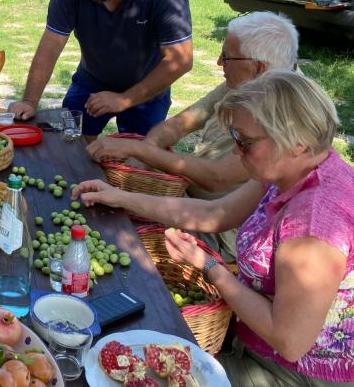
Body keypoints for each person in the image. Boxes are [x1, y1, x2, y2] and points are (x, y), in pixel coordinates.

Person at [73, 71, 354, 385]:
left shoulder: (313, 224)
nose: (236, 150)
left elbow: (289, 341)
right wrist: (121, 197)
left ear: (297, 144)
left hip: (290, 372)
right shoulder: (290, 171)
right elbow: (216, 212)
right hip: (249, 340)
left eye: (245, 142)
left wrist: (209, 267)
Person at [86, 11, 300, 261]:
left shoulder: (287, 115)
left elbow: (217, 179)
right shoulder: (249, 82)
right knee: (105, 203)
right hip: (196, 203)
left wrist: (139, 151)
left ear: (258, 68)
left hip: (225, 232)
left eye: (227, 57)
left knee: (117, 231)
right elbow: (179, 124)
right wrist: (148, 149)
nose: (220, 62)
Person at [8, 0, 193, 140]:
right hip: (92, 79)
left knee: (139, 159)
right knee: (72, 144)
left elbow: (181, 60)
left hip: (147, 85)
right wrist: (29, 102)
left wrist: (124, 99)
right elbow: (52, 41)